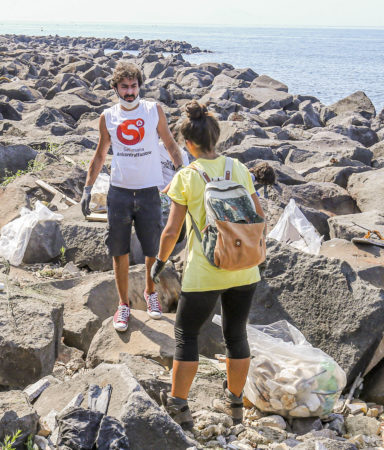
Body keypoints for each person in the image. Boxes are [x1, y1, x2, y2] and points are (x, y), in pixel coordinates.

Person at [151, 101, 265, 430]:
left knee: (187, 335)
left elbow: (172, 231)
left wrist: (159, 263)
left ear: (188, 144)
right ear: (216, 136)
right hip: (245, 266)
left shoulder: (186, 176)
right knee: (235, 333)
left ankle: (178, 406)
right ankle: (235, 405)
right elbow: (259, 217)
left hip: (206, 271)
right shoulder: (239, 169)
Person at [80, 61, 184, 332]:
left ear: (139, 86)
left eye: (134, 86)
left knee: (153, 249)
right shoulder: (108, 116)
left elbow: (171, 145)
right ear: (115, 88)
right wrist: (87, 189)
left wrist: (185, 174)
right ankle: (123, 305)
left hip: (150, 191)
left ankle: (151, 293)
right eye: (124, 87)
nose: (129, 92)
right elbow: (101, 154)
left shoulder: (153, 110)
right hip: (119, 193)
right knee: (119, 251)